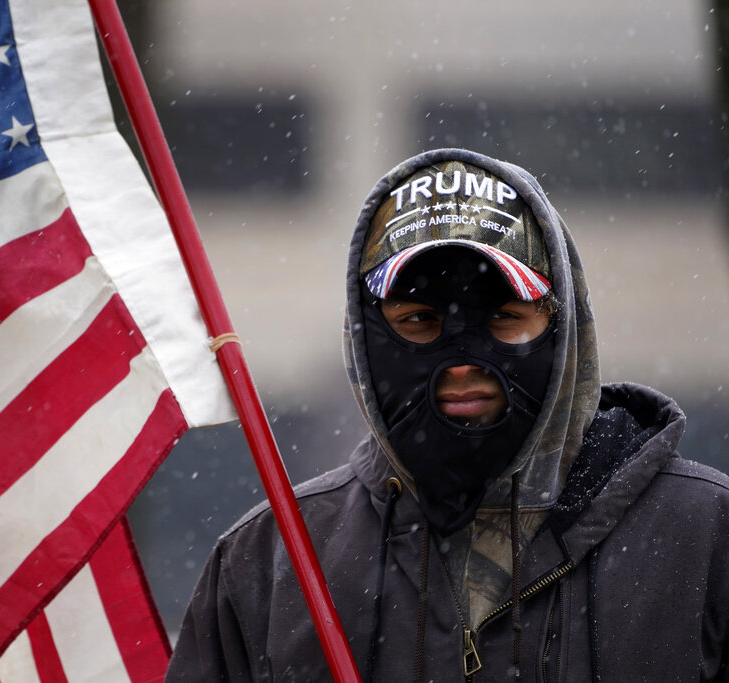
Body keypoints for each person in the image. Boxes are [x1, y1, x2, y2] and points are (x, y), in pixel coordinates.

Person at [165, 148, 729, 681]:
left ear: (564, 328)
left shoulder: (705, 540)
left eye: (505, 316)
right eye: (418, 320)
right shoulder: (273, 562)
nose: (461, 364)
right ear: (365, 337)